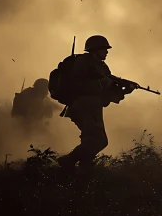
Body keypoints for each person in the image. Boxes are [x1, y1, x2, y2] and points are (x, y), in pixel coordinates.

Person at [57, 35, 135, 168]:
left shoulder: (102, 66)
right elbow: (77, 84)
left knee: (91, 140)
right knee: (99, 140)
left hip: (91, 106)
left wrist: (125, 89)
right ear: (95, 49)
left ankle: (83, 170)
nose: (107, 52)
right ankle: (67, 161)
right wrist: (103, 83)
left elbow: (108, 91)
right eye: (104, 49)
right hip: (83, 105)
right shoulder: (83, 62)